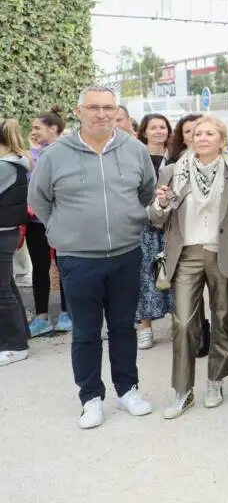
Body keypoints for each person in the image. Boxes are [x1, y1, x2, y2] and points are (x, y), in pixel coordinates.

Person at [29, 86, 157, 428]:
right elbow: (39, 200)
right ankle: (91, 397)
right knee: (85, 332)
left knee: (122, 327)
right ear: (79, 110)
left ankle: (128, 389)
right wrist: (61, 231)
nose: (102, 113)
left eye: (109, 107)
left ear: (117, 111)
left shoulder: (134, 149)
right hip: (79, 259)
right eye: (94, 107)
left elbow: (146, 190)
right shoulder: (56, 154)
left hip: (126, 254)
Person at [148, 115, 228, 419]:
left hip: (221, 252)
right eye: (197, 133)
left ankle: (215, 380)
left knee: (223, 318)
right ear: (189, 139)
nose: (201, 138)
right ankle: (182, 391)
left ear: (221, 140)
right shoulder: (173, 171)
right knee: (184, 323)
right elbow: (156, 217)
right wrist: (160, 204)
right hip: (185, 253)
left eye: (209, 133)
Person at [26, 107, 70, 335]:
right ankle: (41, 316)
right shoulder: (33, 153)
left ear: (53, 128)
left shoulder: (65, 150)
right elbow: (30, 180)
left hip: (61, 219)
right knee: (40, 267)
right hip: (35, 222)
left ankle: (67, 312)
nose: (33, 132)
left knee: (64, 266)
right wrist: (32, 151)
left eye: (37, 127)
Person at [135, 113, 173, 350]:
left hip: (171, 225)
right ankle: (145, 327)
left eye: (163, 127)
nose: (159, 131)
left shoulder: (176, 157)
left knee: (174, 274)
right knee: (145, 275)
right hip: (144, 226)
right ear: (144, 132)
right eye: (154, 127)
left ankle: (179, 323)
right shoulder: (136, 157)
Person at [0, 119, 32, 366]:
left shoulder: (4, 166)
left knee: (2, 291)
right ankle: (20, 336)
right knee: (7, 286)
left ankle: (15, 345)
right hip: (7, 231)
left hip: (2, 232)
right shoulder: (15, 162)